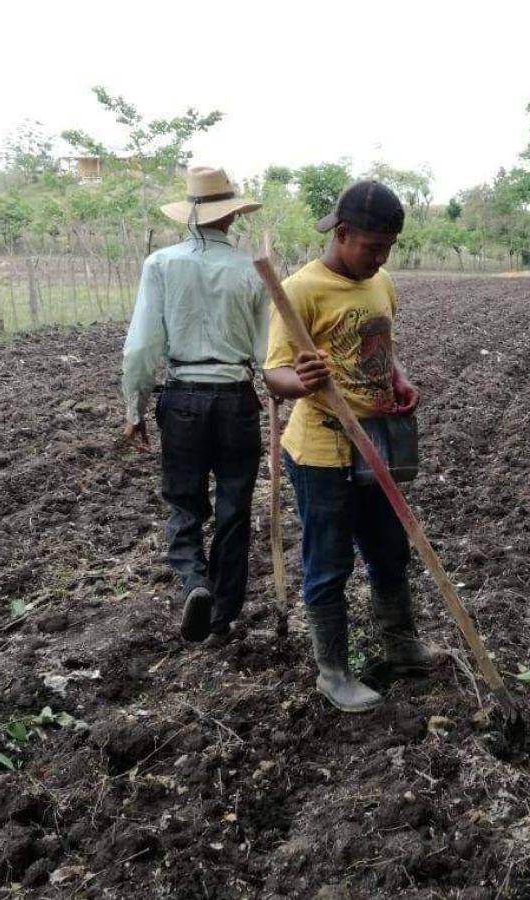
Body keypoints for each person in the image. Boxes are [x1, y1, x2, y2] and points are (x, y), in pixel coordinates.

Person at [263, 181, 431, 713]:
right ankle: (333, 672)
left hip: (375, 444)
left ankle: (401, 647)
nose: (380, 257)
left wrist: (398, 379)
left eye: (388, 248)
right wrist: (303, 379)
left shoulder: (380, 282)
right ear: (341, 234)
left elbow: (383, 347)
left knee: (389, 552)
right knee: (329, 562)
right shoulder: (300, 290)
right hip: (322, 452)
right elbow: (274, 375)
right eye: (371, 246)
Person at [121, 166, 267, 647]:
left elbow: (141, 347)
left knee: (183, 501)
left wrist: (134, 408)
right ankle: (223, 616)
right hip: (235, 398)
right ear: (231, 217)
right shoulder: (254, 270)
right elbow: (269, 355)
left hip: (181, 394)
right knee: (234, 508)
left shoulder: (161, 264)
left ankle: (193, 582)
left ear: (191, 215)